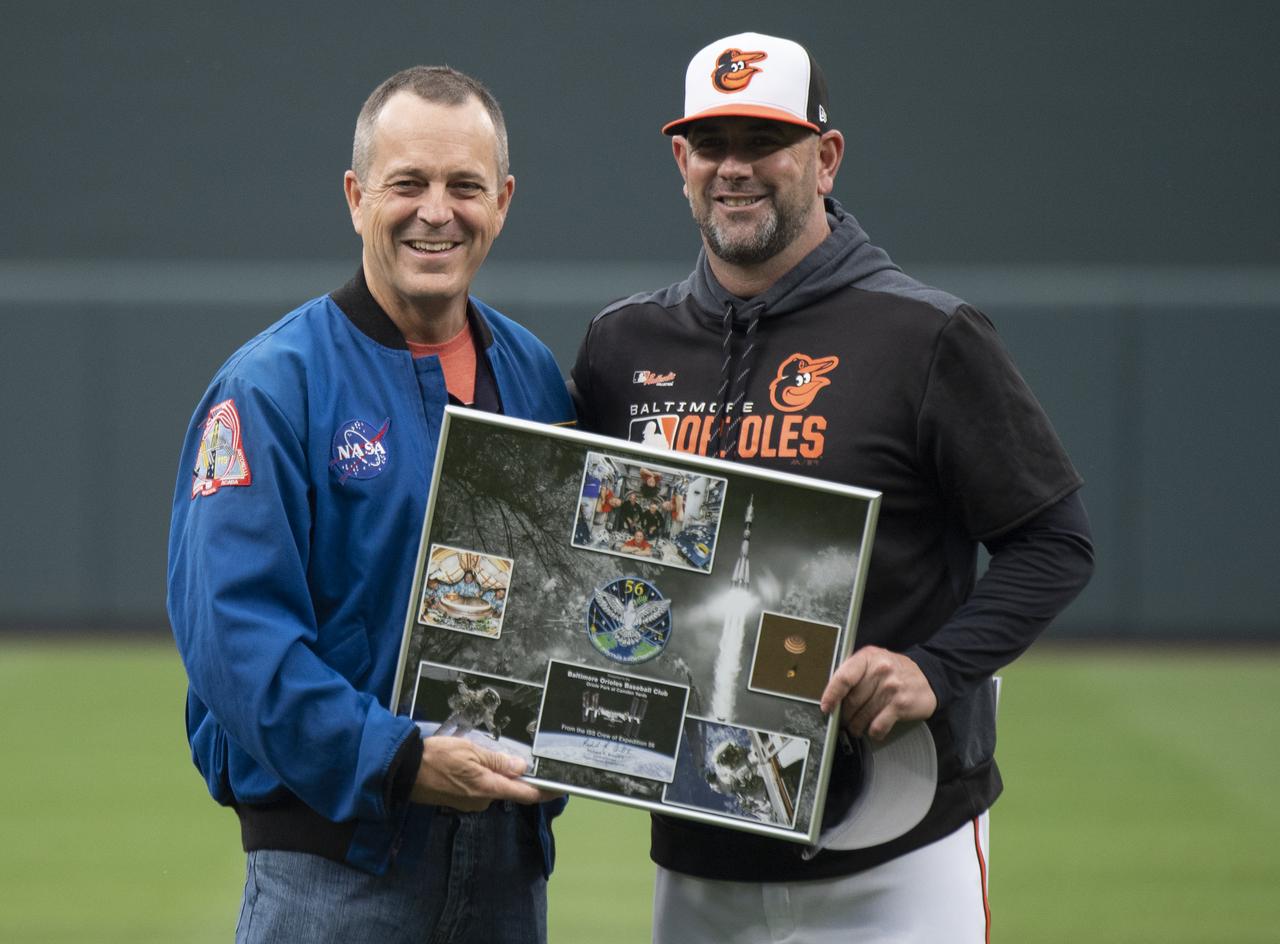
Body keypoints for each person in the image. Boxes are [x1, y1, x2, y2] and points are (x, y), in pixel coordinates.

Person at [570, 32, 1094, 942]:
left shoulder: (925, 336)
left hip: (897, 846)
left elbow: (1055, 542)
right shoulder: (624, 346)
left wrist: (935, 668)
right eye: (712, 143)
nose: (736, 167)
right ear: (681, 162)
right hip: (701, 851)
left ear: (826, 156)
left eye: (764, 141)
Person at [167, 66, 574, 944]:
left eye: (465, 186)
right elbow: (236, 643)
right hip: (334, 872)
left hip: (505, 868)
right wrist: (400, 759)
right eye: (408, 183)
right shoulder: (271, 388)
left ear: (503, 202)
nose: (438, 211)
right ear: (357, 198)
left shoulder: (535, 378)